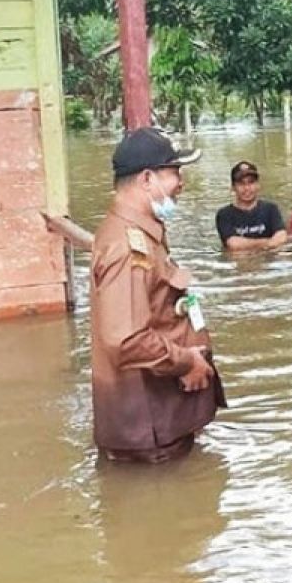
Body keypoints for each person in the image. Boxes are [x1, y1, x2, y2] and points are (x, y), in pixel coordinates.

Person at [91, 127, 225, 463]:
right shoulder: (128, 246)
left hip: (159, 419)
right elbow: (126, 339)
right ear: (147, 179)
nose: (181, 183)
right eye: (175, 172)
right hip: (150, 431)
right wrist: (187, 361)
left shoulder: (141, 233)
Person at [215, 160, 287, 251]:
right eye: (241, 184)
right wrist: (269, 243)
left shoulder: (271, 209)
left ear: (258, 185)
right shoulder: (224, 214)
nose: (247, 188)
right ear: (233, 187)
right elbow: (234, 244)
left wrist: (248, 245)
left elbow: (282, 236)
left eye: (251, 182)